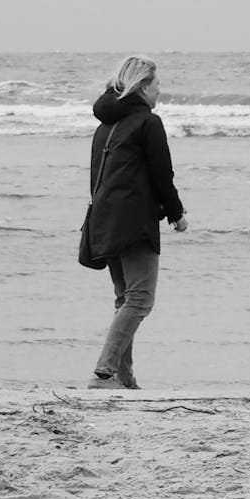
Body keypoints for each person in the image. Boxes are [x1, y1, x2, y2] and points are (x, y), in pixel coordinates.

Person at [83, 55, 188, 389]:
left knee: (124, 299)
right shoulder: (148, 123)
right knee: (140, 299)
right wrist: (176, 213)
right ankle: (104, 372)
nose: (159, 93)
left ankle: (125, 378)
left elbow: (96, 177)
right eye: (157, 86)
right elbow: (162, 174)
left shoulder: (105, 125)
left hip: (103, 219)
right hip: (133, 221)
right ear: (143, 86)